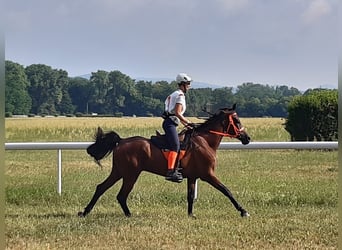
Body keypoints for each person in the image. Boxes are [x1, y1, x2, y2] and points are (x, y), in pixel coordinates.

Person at [162, 73, 193, 182]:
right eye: (188, 84)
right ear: (183, 84)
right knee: (175, 146)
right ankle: (171, 171)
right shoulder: (180, 96)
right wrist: (188, 122)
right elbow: (178, 113)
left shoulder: (173, 94)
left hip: (170, 122)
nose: (189, 86)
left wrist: (186, 125)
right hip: (171, 123)